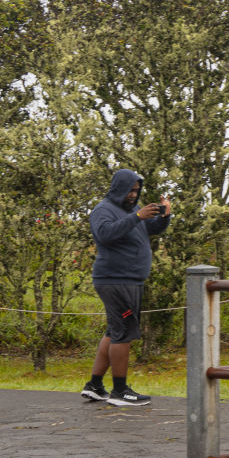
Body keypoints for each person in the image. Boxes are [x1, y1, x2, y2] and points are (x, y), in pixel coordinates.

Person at [81, 169, 172, 406]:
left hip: (129, 280)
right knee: (123, 333)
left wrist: (163, 217)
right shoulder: (104, 210)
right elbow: (105, 234)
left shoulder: (133, 211)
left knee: (114, 331)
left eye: (136, 190)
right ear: (118, 187)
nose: (134, 194)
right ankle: (120, 391)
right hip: (116, 280)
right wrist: (137, 216)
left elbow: (152, 229)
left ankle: (95, 385)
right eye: (130, 190)